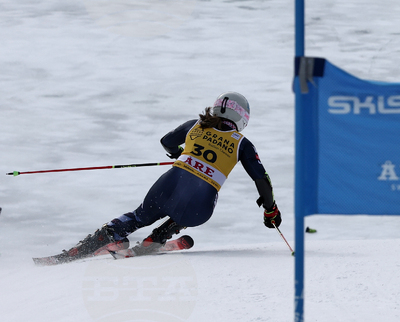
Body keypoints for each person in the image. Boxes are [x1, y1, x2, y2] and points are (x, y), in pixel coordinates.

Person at [59, 92, 281, 260]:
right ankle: (155, 239)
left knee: (140, 215)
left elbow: (166, 141)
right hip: (199, 208)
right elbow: (261, 179)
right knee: (188, 212)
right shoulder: (243, 144)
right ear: (242, 118)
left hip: (167, 187)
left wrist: (179, 155)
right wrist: (270, 210)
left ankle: (107, 236)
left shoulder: (196, 125)